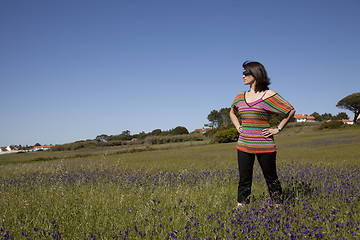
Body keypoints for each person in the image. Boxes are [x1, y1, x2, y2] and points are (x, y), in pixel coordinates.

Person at [229, 61, 295, 208]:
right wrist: (238, 126)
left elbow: (290, 110)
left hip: (265, 144)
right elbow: (232, 112)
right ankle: (242, 206)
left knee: (271, 177)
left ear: (256, 74)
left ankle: (278, 206)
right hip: (244, 144)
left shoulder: (269, 95)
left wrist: (277, 129)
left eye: (246, 73)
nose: (243, 76)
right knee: (244, 178)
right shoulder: (240, 96)